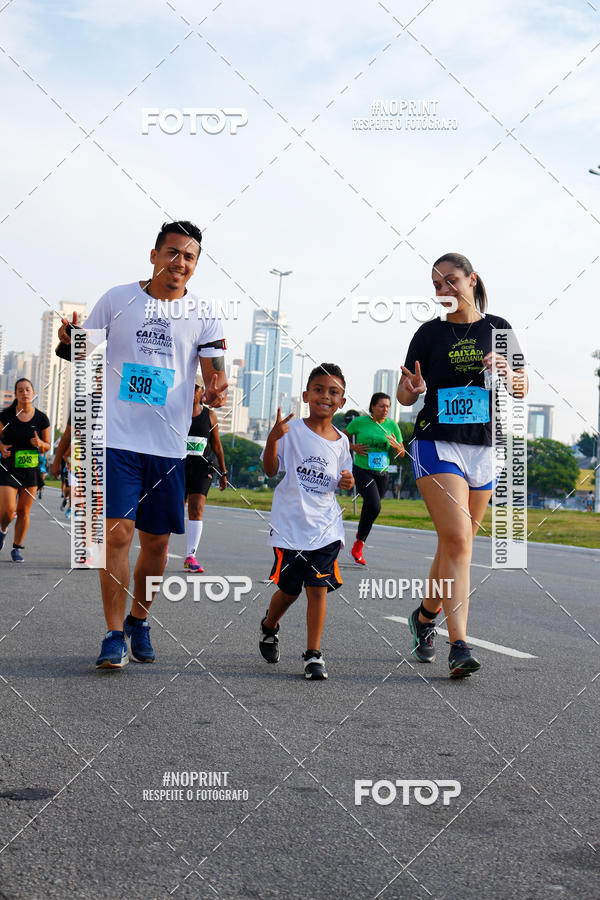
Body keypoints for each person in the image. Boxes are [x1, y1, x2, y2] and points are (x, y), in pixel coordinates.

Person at [57, 220, 228, 669]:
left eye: (189, 256)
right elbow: (82, 351)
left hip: (168, 446)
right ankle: (114, 634)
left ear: (195, 265)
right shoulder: (117, 299)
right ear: (154, 255)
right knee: (117, 534)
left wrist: (216, 388)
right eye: (172, 252)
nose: (179, 262)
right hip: (116, 439)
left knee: (156, 546)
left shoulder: (204, 313)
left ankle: (139, 619)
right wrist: (69, 342)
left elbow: (215, 372)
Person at [398, 252, 527, 678]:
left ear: (472, 279)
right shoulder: (428, 333)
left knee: (456, 544)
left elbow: (522, 388)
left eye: (451, 280)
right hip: (436, 442)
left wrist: (507, 371)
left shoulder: (499, 329)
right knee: (457, 540)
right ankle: (459, 645)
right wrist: (413, 388)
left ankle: (424, 616)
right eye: (437, 285)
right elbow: (403, 393)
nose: (444, 290)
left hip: (484, 447)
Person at [259, 364, 354, 680]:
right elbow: (270, 470)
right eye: (318, 390)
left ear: (341, 401)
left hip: (326, 529)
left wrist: (347, 482)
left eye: (333, 392)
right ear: (306, 395)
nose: (325, 396)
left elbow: (343, 478)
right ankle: (269, 625)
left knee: (317, 589)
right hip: (290, 528)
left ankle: (313, 654)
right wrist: (272, 439)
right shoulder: (291, 431)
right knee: (289, 592)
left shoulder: (342, 441)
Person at [344, 392, 404, 565]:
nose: (385, 409)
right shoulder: (360, 422)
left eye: (388, 407)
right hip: (362, 470)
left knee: (370, 509)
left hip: (382, 474)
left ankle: (358, 545)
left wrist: (397, 447)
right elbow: (340, 438)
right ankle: (358, 544)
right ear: (372, 407)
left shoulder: (392, 426)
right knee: (375, 505)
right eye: (382, 406)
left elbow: (401, 453)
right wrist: (353, 447)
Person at [0, 378, 51, 562]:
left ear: (34, 393)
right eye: (20, 390)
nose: (24, 393)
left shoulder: (41, 418)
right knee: (8, 510)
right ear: (16, 394)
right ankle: (3, 529)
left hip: (30, 470)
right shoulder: (6, 416)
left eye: (28, 389)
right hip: (8, 467)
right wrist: (1, 446)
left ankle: (17, 547)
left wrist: (40, 444)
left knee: (23, 512)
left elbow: (47, 446)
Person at [184, 374, 228, 572]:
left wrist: (223, 472)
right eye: (189, 387)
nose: (192, 391)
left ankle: (190, 556)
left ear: (202, 392)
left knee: (196, 508)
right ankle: (161, 550)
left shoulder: (210, 415)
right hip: (180, 466)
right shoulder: (177, 412)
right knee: (175, 508)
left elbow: (217, 446)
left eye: (196, 388)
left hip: (202, 467)